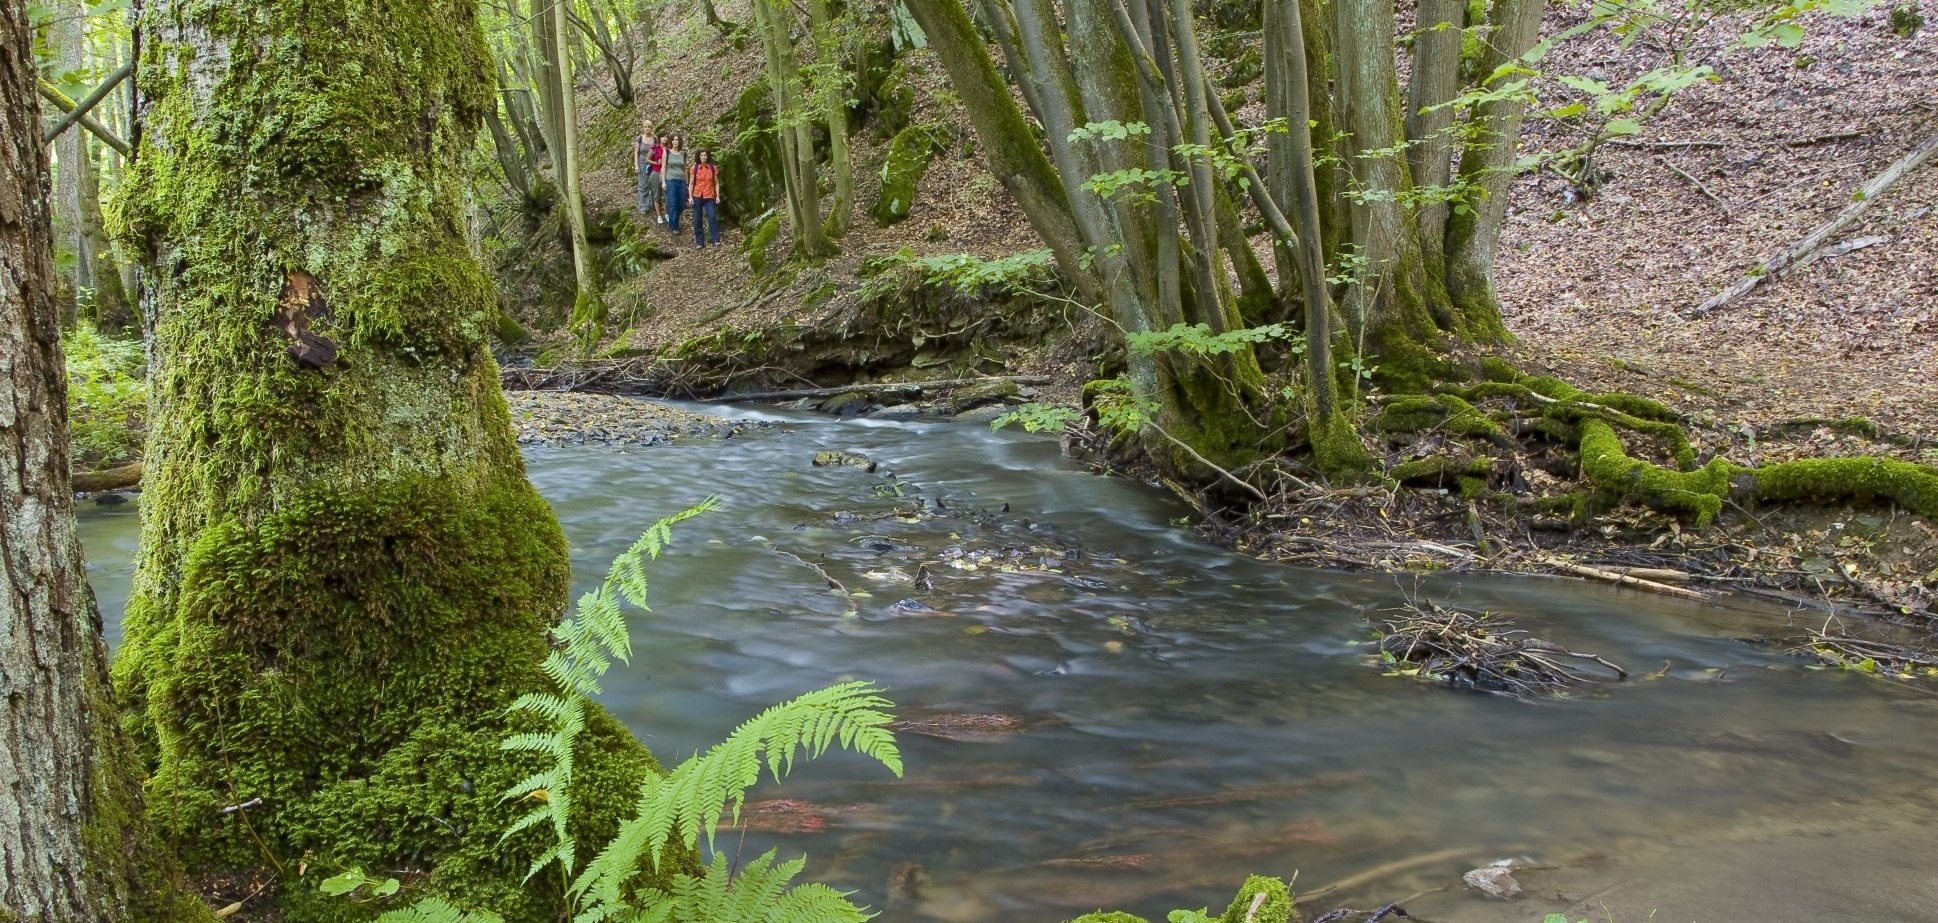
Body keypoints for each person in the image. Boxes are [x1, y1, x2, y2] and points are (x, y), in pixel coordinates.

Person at [689, 149, 721, 249]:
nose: (703, 157)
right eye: (701, 155)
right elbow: (690, 183)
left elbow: (716, 183)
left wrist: (717, 196)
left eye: (705, 155)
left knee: (712, 217)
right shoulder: (694, 168)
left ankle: (715, 240)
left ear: (708, 157)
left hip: (709, 196)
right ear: (699, 157)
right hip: (697, 195)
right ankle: (699, 242)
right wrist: (690, 197)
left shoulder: (712, 168)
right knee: (698, 219)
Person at [632, 120, 661, 222]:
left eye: (649, 126)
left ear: (652, 128)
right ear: (643, 128)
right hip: (642, 163)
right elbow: (636, 153)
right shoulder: (639, 139)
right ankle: (643, 206)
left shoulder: (655, 139)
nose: (647, 128)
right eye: (645, 126)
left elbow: (658, 150)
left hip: (653, 163)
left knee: (654, 184)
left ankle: (655, 204)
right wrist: (636, 165)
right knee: (643, 184)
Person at [661, 135, 689, 234]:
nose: (675, 141)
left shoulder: (683, 154)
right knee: (673, 203)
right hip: (671, 180)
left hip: (681, 181)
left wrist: (687, 183)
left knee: (681, 204)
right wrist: (663, 182)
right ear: (671, 142)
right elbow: (663, 167)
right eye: (673, 140)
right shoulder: (667, 152)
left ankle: (674, 221)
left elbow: (685, 168)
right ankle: (674, 226)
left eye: (677, 140)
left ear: (679, 141)